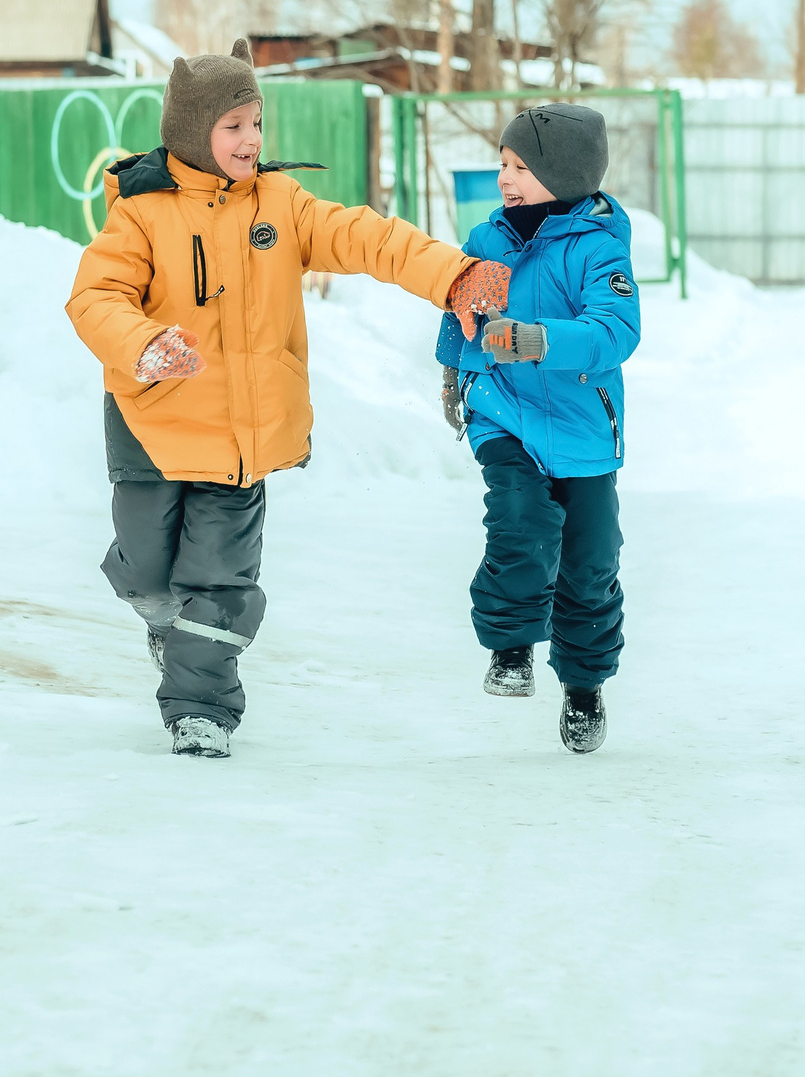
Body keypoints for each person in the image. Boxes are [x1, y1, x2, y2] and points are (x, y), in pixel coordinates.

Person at [66, 42, 511, 759]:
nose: (251, 141)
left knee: (220, 579)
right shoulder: (142, 214)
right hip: (153, 427)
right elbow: (96, 296)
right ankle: (164, 623)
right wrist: (142, 342)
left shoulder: (281, 204)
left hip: (242, 438)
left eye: (256, 123)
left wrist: (452, 275)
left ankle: (200, 708)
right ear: (191, 131)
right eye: (233, 125)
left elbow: (370, 237)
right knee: (148, 569)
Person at [436, 103, 640, 753]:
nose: (505, 177)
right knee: (521, 520)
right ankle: (512, 645)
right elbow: (459, 310)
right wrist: (452, 372)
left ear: (567, 174)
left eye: (521, 166)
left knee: (588, 563)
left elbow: (616, 330)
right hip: (506, 411)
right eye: (502, 162)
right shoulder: (488, 240)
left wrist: (538, 338)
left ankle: (584, 687)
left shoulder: (599, 248)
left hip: (581, 428)